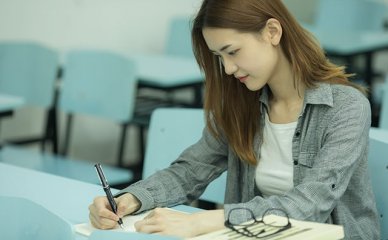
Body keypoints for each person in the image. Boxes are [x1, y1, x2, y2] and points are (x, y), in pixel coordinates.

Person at [88, 0, 380, 239]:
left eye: (233, 52)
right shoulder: (243, 104)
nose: (227, 68)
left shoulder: (346, 107)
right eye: (219, 57)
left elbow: (312, 201)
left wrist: (209, 221)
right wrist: (131, 200)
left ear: (272, 32)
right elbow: (190, 171)